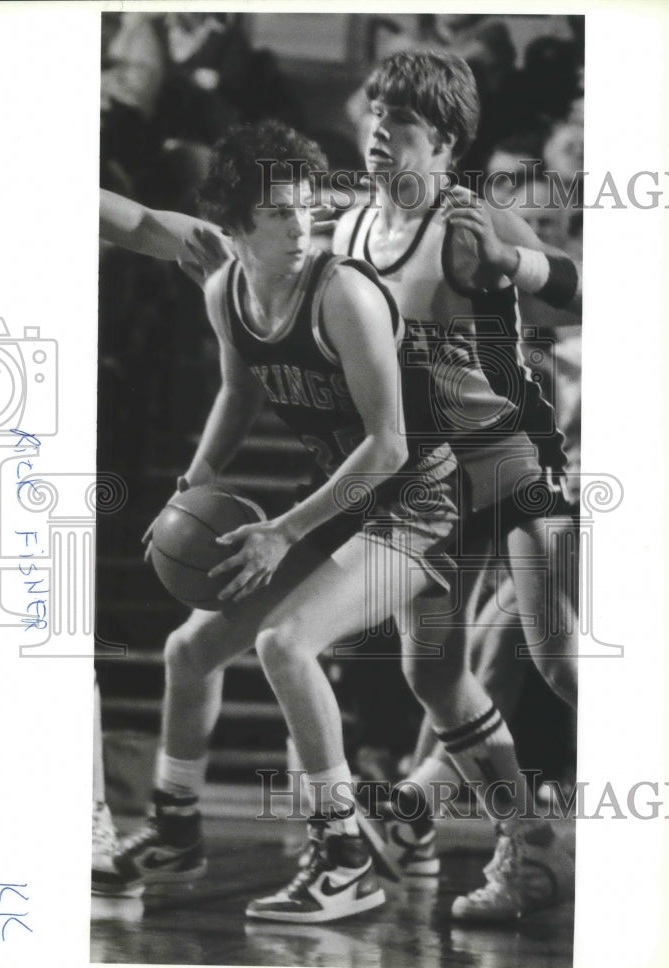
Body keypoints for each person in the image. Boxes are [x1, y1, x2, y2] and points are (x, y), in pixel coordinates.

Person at [97, 54, 580, 922]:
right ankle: (474, 833)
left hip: (495, 459)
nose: (378, 128)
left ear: (444, 144)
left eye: (400, 120)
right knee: (429, 673)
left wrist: (513, 264)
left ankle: (458, 837)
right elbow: (194, 242)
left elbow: (580, 293)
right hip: (398, 469)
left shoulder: (466, 221)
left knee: (553, 656)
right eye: (375, 113)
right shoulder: (340, 232)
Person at [94, 120, 462, 925]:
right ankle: (176, 829)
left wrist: (282, 531)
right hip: (340, 496)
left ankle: (344, 861)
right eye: (278, 218)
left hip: (422, 498)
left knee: (286, 643)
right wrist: (196, 476)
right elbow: (239, 390)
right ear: (234, 230)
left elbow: (390, 443)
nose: (300, 230)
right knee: (188, 651)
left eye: (306, 211)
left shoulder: (344, 293)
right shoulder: (224, 286)